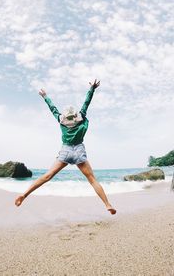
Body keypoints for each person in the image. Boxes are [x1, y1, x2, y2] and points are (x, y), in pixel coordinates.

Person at [15, 79, 116, 215]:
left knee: (47, 176)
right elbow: (86, 102)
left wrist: (45, 96)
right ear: (75, 115)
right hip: (79, 150)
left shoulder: (61, 120)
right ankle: (107, 204)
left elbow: (53, 108)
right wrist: (92, 88)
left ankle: (24, 195)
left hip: (66, 151)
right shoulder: (80, 117)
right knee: (92, 180)